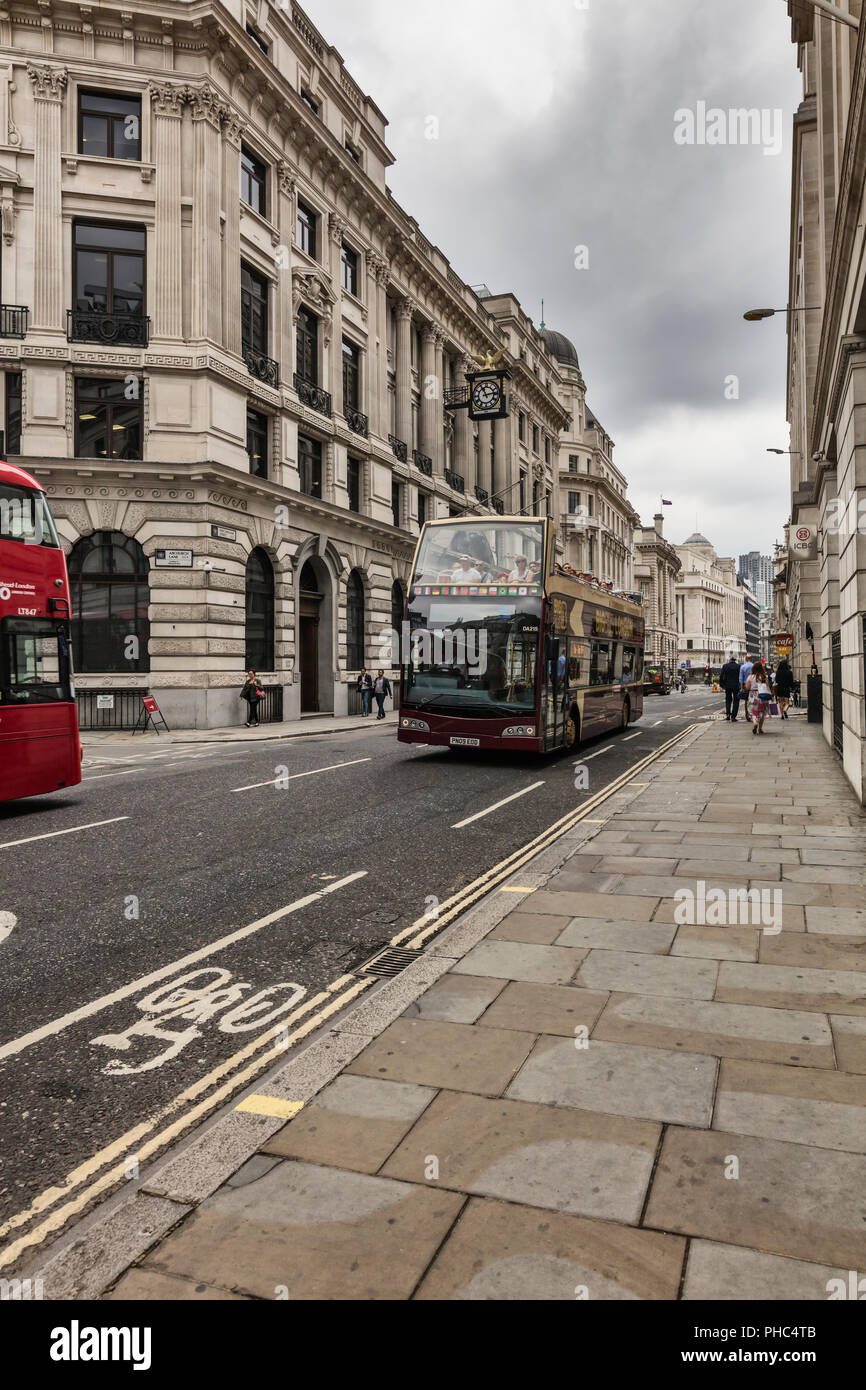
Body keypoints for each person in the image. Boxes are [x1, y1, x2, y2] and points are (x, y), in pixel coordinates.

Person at [746, 659, 772, 735]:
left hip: (752, 695)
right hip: (762, 695)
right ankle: (760, 729)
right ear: (761, 668)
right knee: (762, 712)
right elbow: (768, 686)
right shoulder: (764, 676)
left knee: (754, 712)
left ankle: (755, 723)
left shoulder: (750, 677)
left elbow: (747, 687)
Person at [720, 653, 742, 721]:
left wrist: (722, 685)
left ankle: (728, 714)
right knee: (736, 701)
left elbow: (721, 676)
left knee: (728, 700)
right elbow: (740, 677)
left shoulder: (725, 666)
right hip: (736, 686)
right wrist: (741, 685)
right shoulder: (738, 666)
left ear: (730, 659)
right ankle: (733, 716)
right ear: (735, 659)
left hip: (727, 686)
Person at [739, 653, 754, 724]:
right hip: (754, 685)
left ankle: (747, 715)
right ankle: (753, 714)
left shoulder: (743, 667)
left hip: (746, 685)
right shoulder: (754, 666)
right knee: (753, 700)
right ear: (751, 659)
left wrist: (741, 687)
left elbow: (741, 678)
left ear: (746, 659)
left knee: (746, 700)